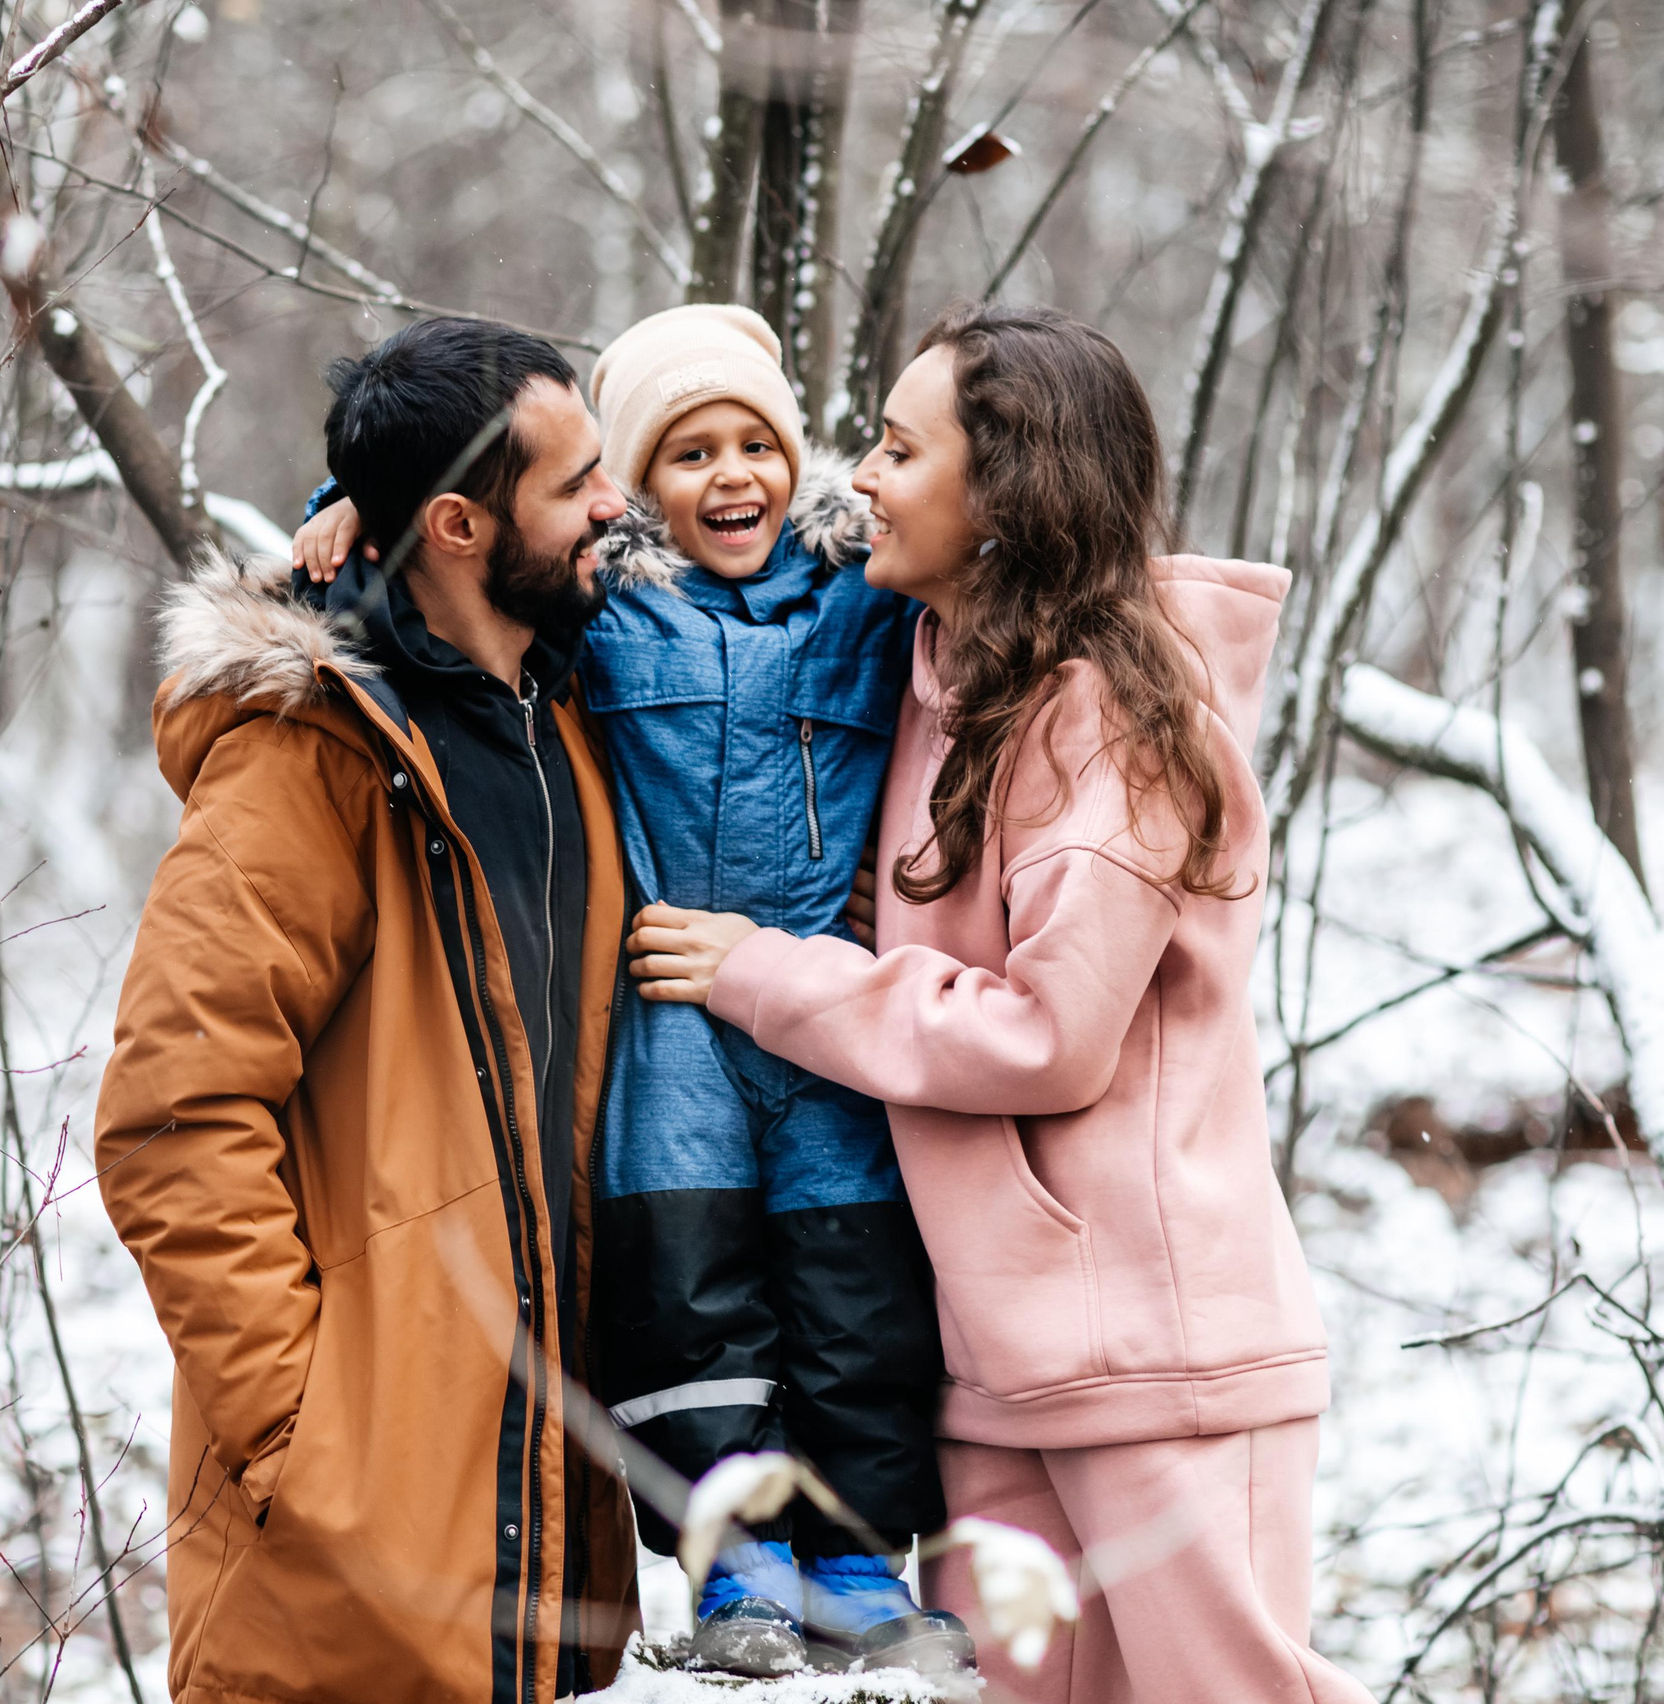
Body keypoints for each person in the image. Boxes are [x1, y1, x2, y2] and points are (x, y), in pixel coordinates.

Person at [625, 304, 1375, 1703]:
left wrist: (768, 974)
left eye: (900, 450)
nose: (859, 475)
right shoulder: (935, 675)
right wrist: (355, 524)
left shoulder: (1119, 718)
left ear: (1006, 496)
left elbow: (1051, 1038)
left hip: (1157, 1364)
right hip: (992, 1364)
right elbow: (627, 546)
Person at [293, 304, 964, 1679]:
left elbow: (993, 553)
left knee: (856, 1292)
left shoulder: (863, 591)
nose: (732, 477)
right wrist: (345, 511)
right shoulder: (609, 606)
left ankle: (856, 1560)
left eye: (755, 445)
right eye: (689, 454)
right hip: (672, 1015)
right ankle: (737, 1569)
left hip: (822, 1000)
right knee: (687, 1292)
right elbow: (452, 563)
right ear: (639, 484)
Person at [93, 316, 639, 1704]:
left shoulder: (571, 707)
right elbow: (171, 1120)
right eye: (577, 482)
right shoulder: (306, 760)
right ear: (459, 527)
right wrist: (305, 1441)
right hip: (348, 1563)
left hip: (535, 1532)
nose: (616, 503)